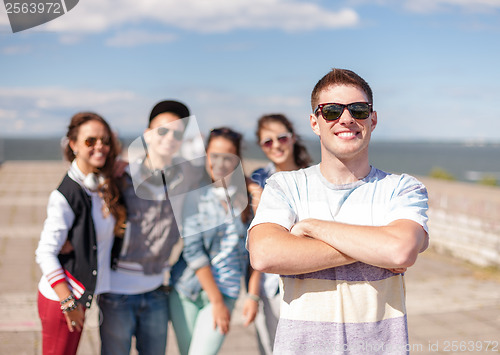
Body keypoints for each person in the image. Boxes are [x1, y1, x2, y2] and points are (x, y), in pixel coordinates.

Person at [248, 68, 429, 354]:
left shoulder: (402, 188)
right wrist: (374, 248)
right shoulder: (285, 185)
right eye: (331, 111)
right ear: (315, 123)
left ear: (373, 118)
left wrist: (310, 227)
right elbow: (264, 254)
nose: (347, 118)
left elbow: (399, 251)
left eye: (358, 109)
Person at [98, 100, 200, 355]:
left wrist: (254, 186)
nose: (170, 138)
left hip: (157, 292)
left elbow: (224, 173)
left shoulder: (186, 176)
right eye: (162, 130)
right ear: (147, 135)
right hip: (116, 294)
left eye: (177, 133)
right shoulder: (119, 176)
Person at [36, 112, 126, 355]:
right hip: (63, 298)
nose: (100, 147)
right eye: (90, 141)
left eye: (105, 141)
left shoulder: (96, 182)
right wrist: (68, 303)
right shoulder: (66, 195)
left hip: (77, 296)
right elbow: (45, 253)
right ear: (73, 145)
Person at [169, 127, 259, 355]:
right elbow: (193, 252)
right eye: (214, 155)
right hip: (187, 291)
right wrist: (216, 301)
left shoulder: (248, 198)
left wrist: (252, 295)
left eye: (228, 156)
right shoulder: (193, 195)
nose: (220, 162)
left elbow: (258, 252)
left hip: (227, 292)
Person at [249, 113, 312, 355]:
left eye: (282, 138)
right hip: (267, 282)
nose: (276, 145)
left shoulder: (313, 177)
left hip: (307, 277)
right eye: (267, 141)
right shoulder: (256, 179)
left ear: (293, 138)